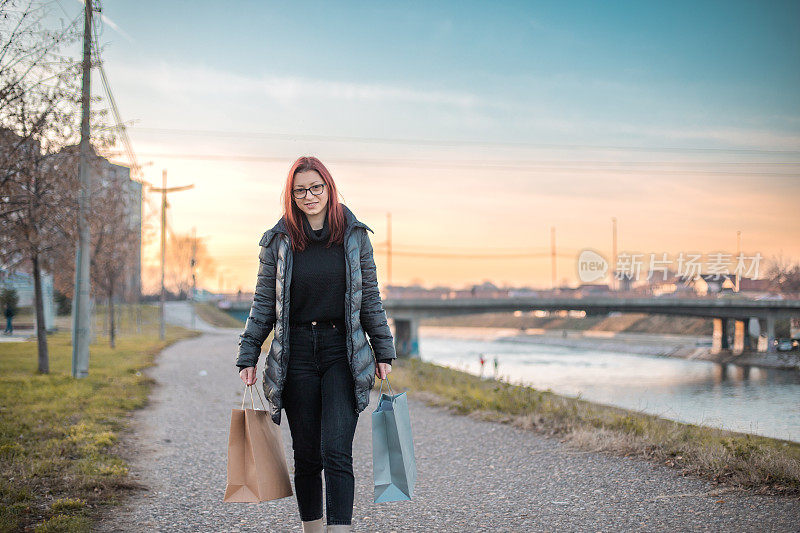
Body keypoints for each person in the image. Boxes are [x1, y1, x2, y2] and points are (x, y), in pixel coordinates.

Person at [235, 156, 396, 533]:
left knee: (336, 453)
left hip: (342, 351)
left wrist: (382, 350)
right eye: (300, 190)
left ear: (329, 186)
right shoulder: (278, 241)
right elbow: (263, 304)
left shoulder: (354, 235)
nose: (309, 196)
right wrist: (249, 353)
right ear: (291, 195)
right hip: (297, 355)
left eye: (315, 187)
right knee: (307, 456)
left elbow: (369, 296)